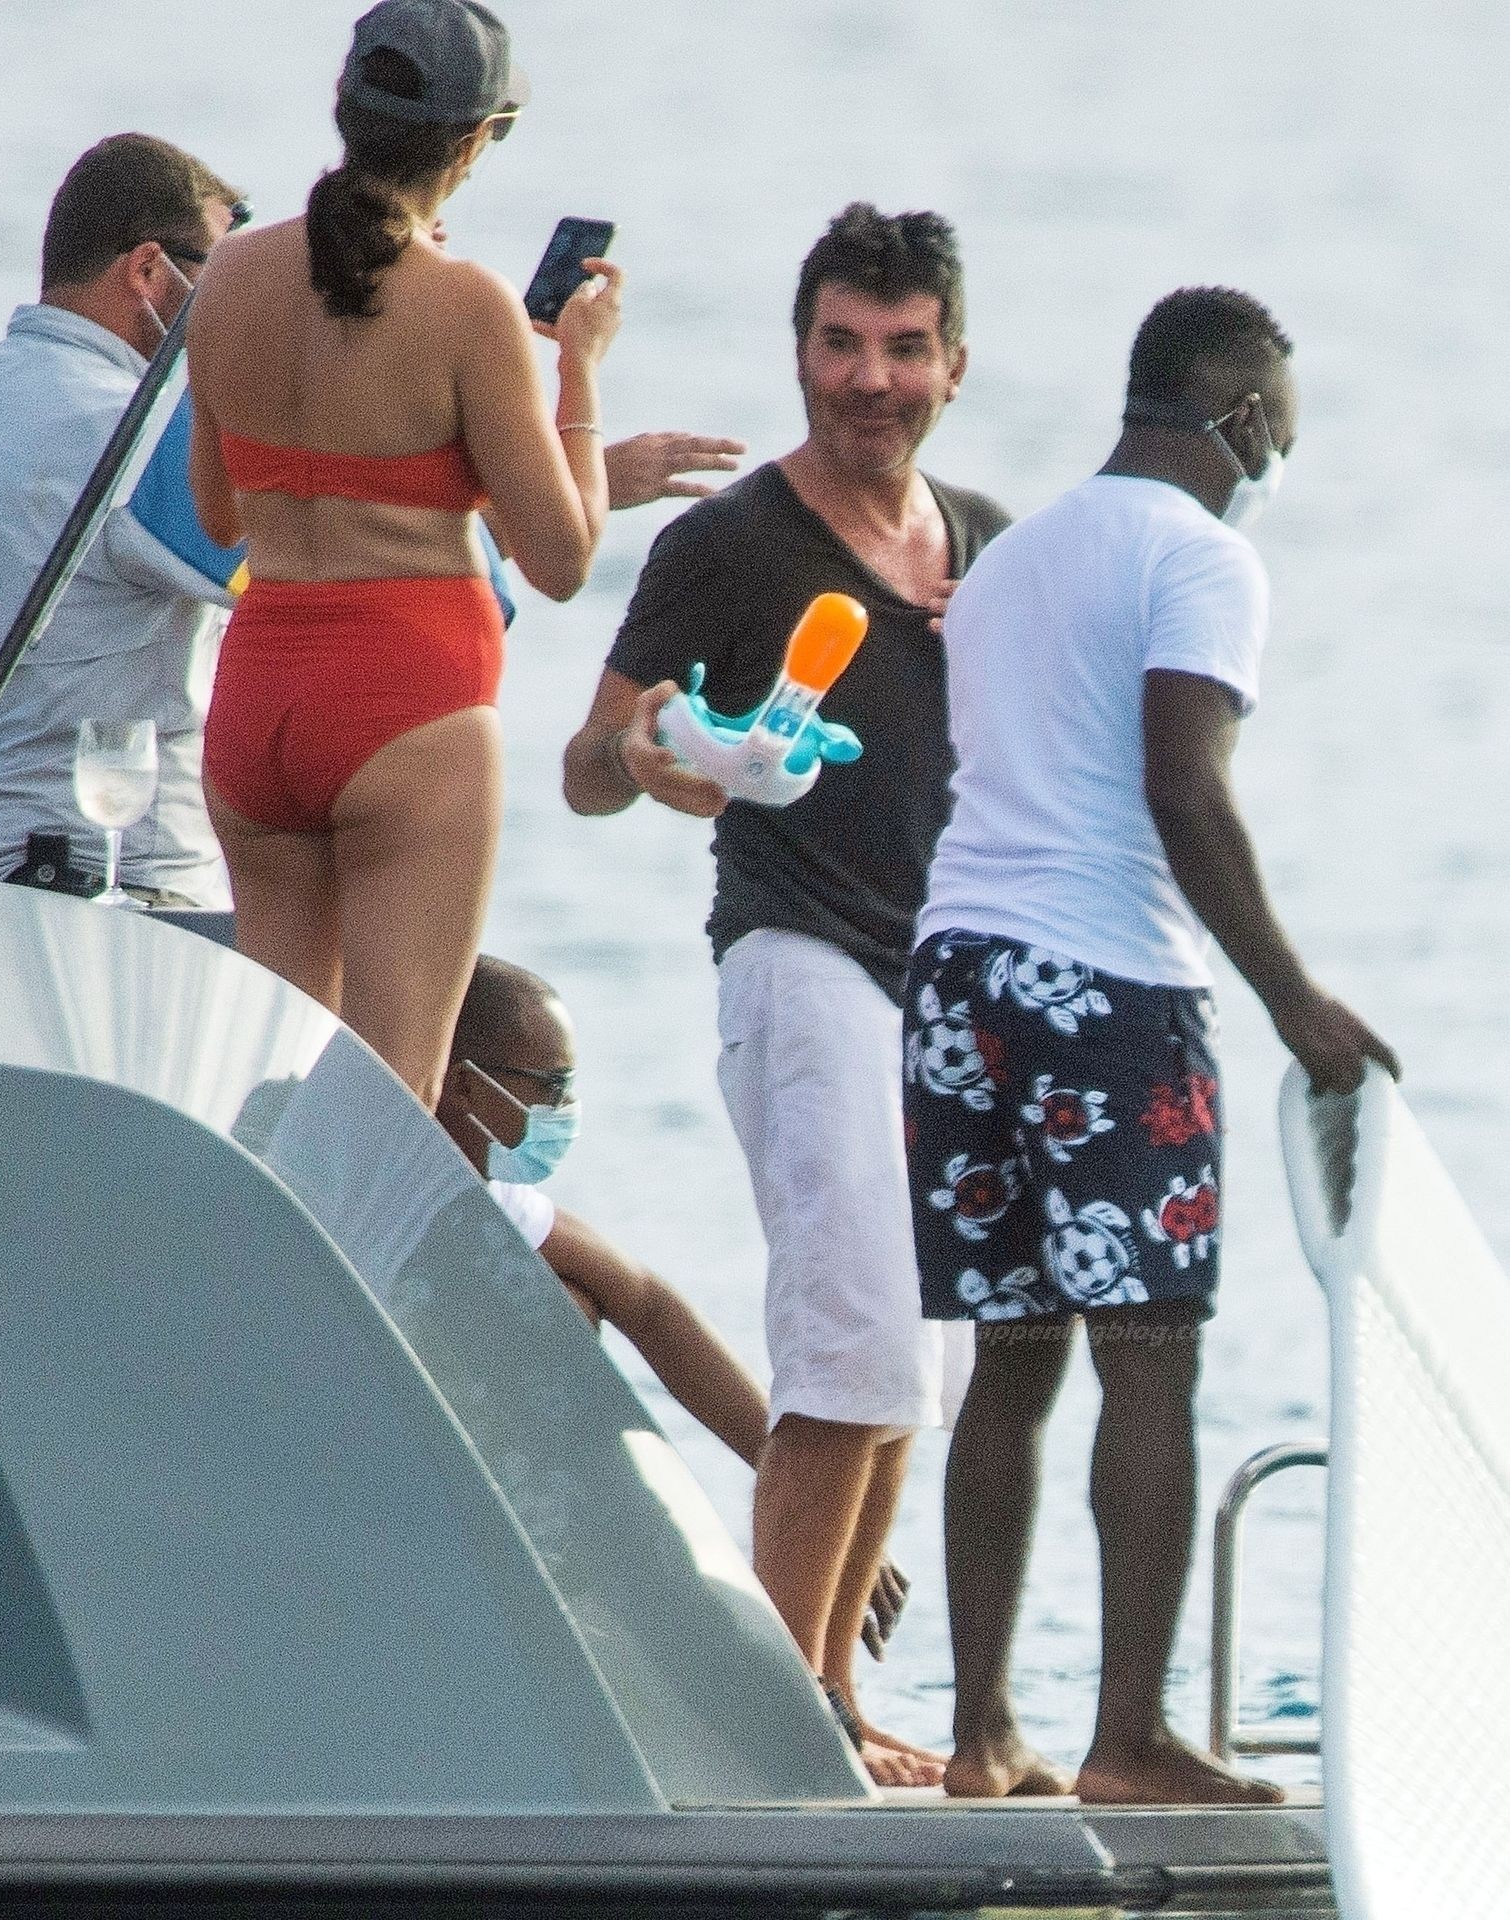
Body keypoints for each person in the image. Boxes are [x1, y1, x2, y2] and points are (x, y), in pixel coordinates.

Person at [904, 286, 1401, 1803]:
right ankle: (1123, 1742)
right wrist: (1293, 1000)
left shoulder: (1010, 559)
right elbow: (1181, 787)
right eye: (1278, 438)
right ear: (1240, 417)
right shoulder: (1200, 555)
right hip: (1104, 986)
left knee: (1009, 1359)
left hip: (956, 973)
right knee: (1147, 1360)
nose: (1273, 465)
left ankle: (980, 1736)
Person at [562, 203, 1010, 1786]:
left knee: (925, 1368)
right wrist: (660, 751)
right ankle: (773, 1719)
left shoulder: (987, 547)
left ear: (953, 365)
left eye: (902, 348)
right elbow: (586, 766)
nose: (867, 378)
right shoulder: (730, 545)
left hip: (946, 995)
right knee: (852, 1345)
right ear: (799, 349)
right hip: (797, 954)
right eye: (838, 343)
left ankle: (828, 1702)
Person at [186, 0, 621, 1108]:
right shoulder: (468, 306)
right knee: (388, 1111)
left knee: (267, 1096)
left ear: (346, 111)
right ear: (473, 141)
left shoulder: (228, 275)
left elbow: (218, 515)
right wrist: (576, 369)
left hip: (258, 699)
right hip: (406, 706)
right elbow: (562, 558)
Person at [435, 953, 910, 1678]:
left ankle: (635, 1616)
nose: (565, 1109)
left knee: (574, 1296)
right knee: (559, 1305)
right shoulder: (386, 1183)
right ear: (466, 1082)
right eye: (550, 1086)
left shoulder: (495, 1201)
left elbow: (651, 1307)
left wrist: (810, 1498)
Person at [0, 133, 243, 905]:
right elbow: (321, 570)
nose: (236, 308)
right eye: (224, 279)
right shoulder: (146, 436)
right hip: (120, 903)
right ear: (148, 271)